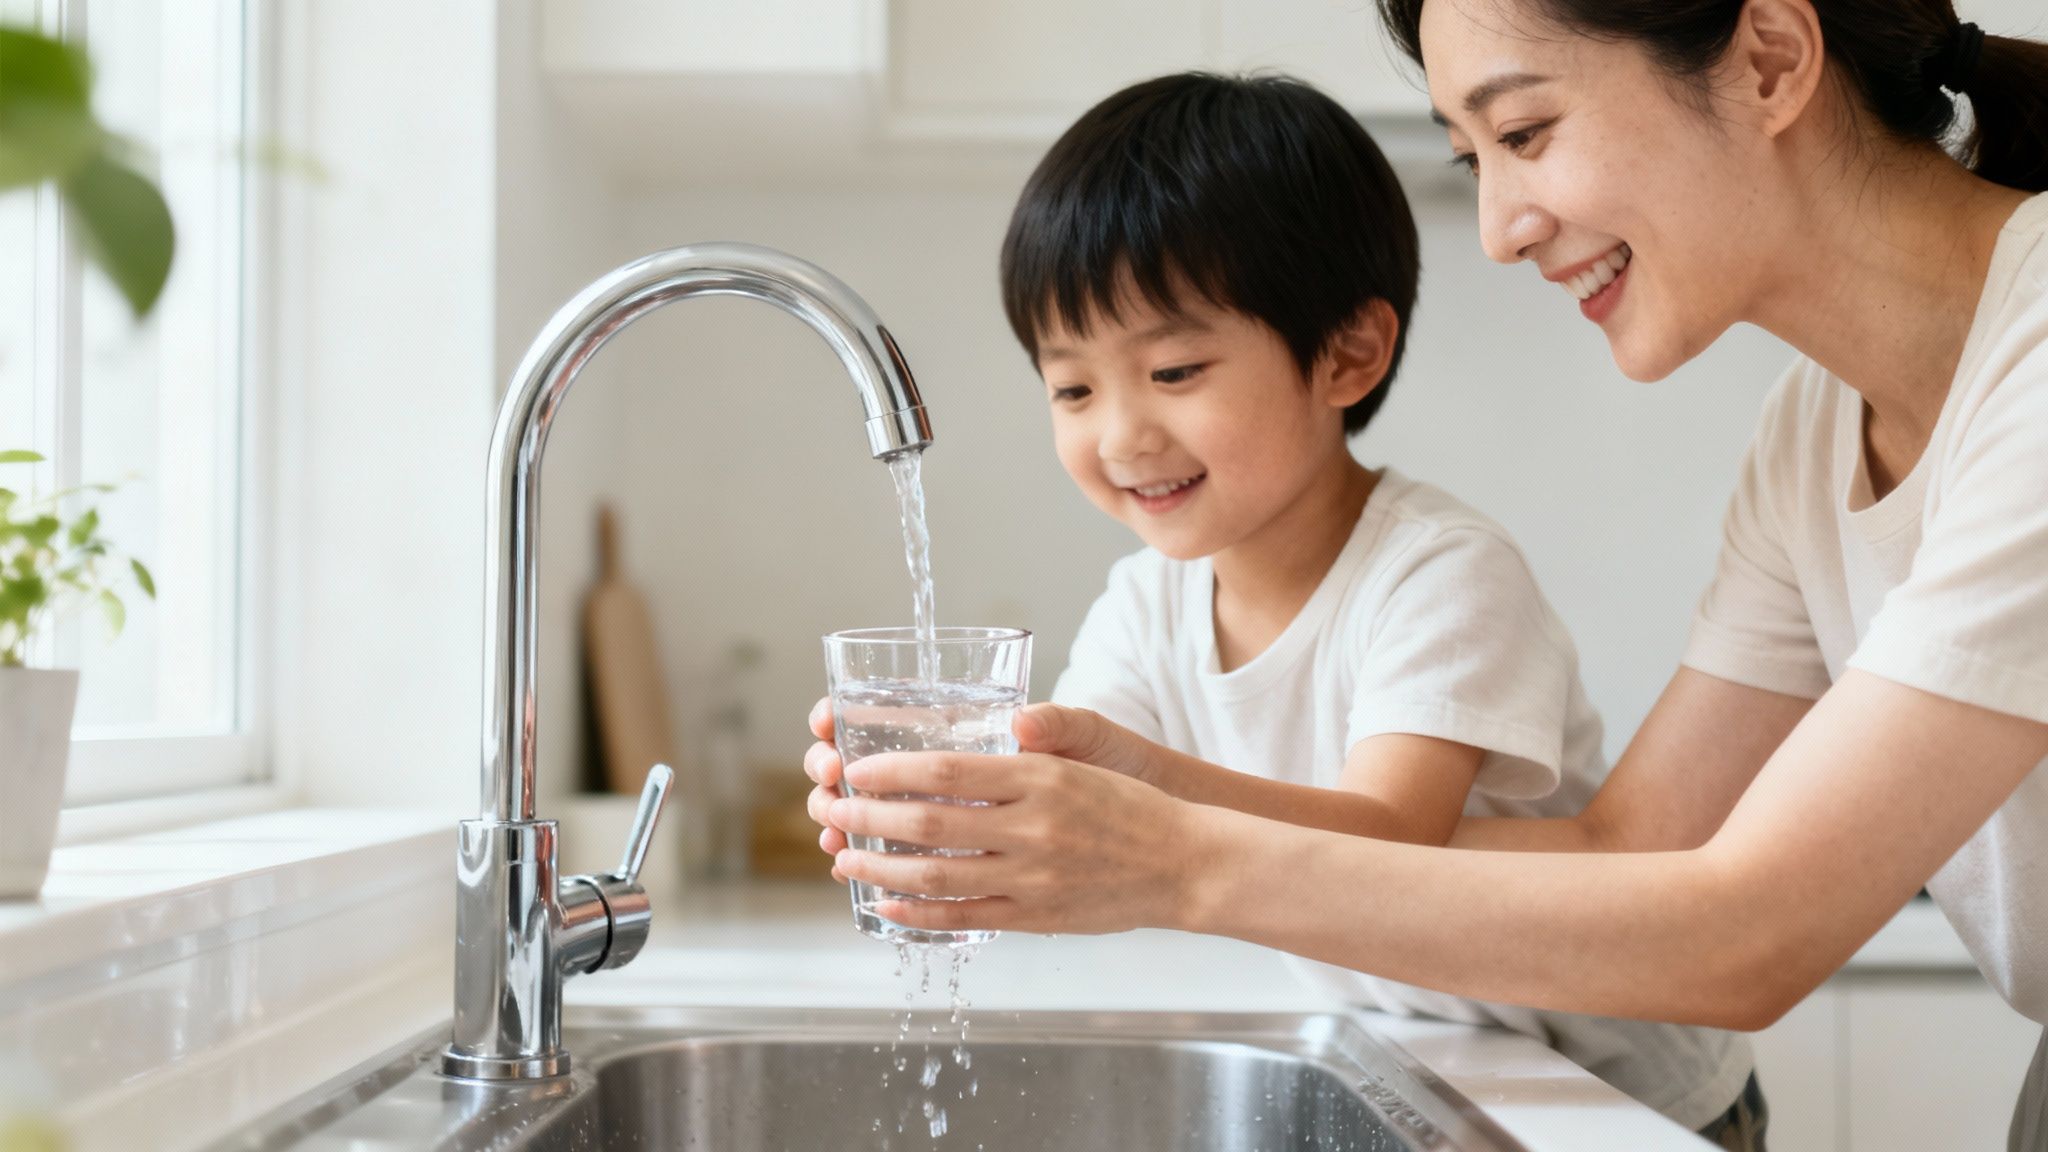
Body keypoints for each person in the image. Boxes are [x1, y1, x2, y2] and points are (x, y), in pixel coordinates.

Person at [807, 1, 2048, 1145]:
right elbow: (1629, 850)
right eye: (1473, 160)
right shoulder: (1811, 435)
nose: (1500, 230)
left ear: (1770, 59)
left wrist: (1173, 855)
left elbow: (1747, 932)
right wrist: (1136, 790)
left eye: (1524, 131)